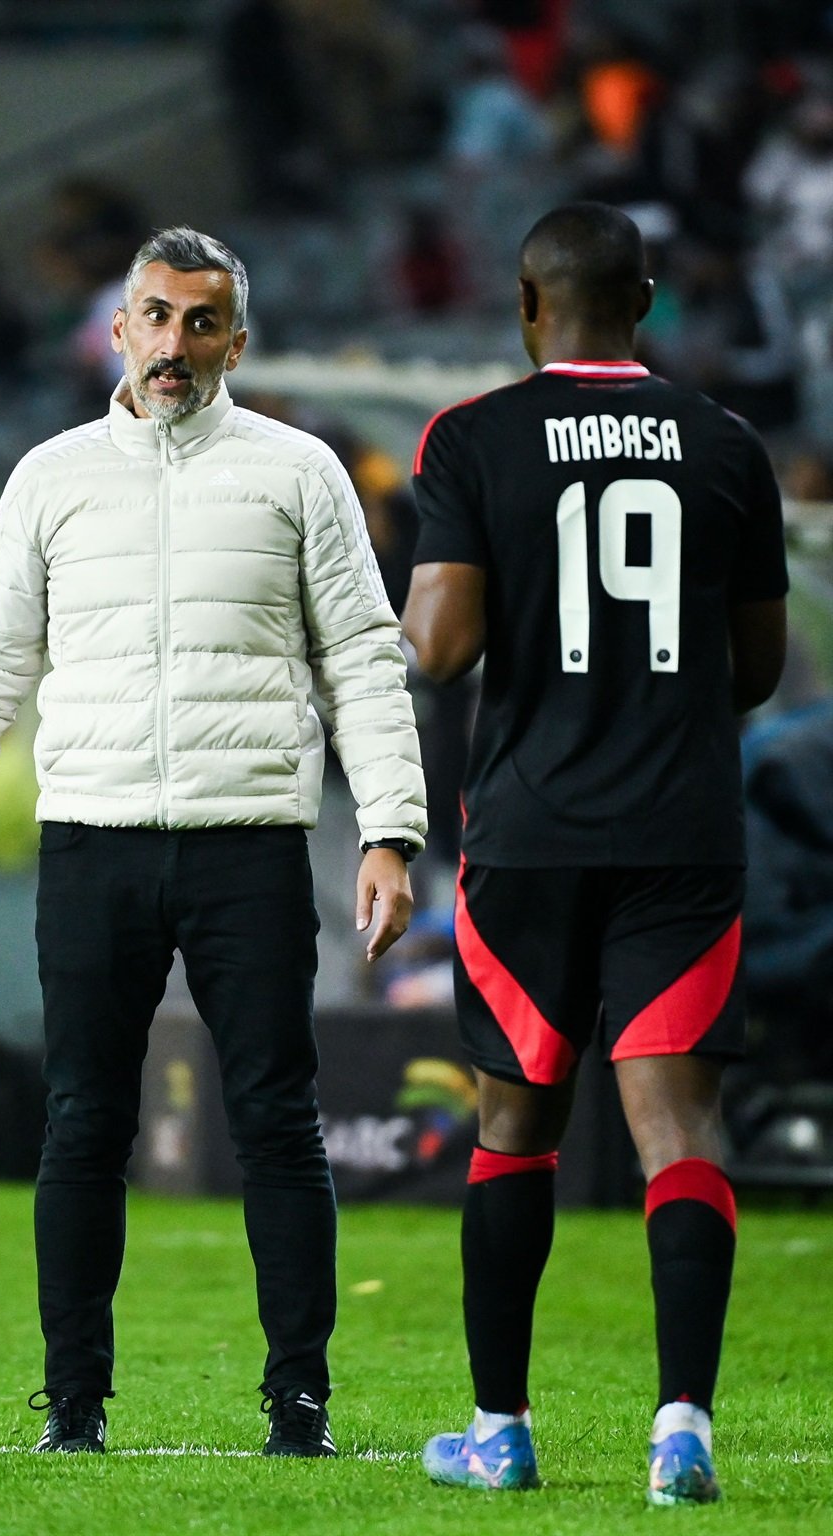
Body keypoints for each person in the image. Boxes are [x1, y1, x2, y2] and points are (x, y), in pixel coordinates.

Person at [0, 225, 426, 1458]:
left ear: (237, 337)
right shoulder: (50, 477)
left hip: (251, 847)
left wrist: (389, 828)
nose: (175, 345)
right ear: (119, 330)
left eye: (201, 322)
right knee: (82, 1126)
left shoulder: (299, 472)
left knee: (277, 1123)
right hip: (93, 846)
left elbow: (363, 664)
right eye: (156, 318)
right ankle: (73, 1409)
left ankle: (300, 1403)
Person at [403, 202, 787, 1505]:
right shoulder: (728, 446)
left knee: (515, 1122)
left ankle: (499, 1431)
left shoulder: (470, 440)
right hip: (680, 831)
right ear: (650, 300)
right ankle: (683, 1427)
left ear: (526, 303)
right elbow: (757, 669)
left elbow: (442, 649)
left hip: (530, 833)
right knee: (680, 1124)